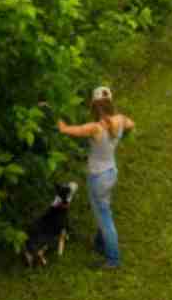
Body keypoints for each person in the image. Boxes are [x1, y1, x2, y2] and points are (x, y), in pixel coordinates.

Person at [57, 85, 135, 270]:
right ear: (111, 103)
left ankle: (113, 259)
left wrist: (54, 113)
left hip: (98, 177)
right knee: (104, 208)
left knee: (104, 217)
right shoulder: (121, 120)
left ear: (94, 106)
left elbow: (65, 129)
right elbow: (131, 125)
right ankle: (100, 243)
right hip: (111, 172)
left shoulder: (94, 128)